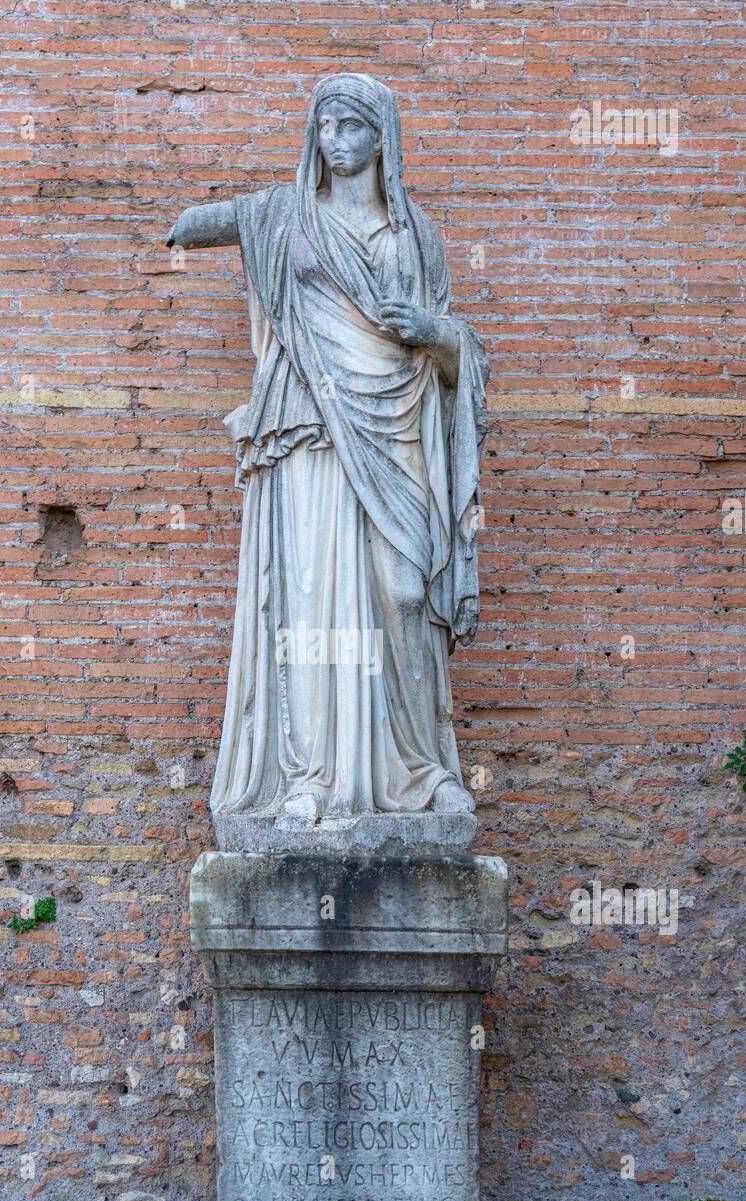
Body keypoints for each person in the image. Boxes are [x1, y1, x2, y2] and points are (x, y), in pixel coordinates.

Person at [167, 73, 489, 821]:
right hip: (310, 422)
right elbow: (208, 221)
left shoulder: (418, 235)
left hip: (398, 426)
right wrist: (185, 224)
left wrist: (437, 334)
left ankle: (423, 768)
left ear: (384, 139)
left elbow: (456, 362)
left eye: (351, 127)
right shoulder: (286, 215)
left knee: (407, 594)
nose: (335, 141)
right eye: (324, 126)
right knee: (312, 605)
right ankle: (307, 777)